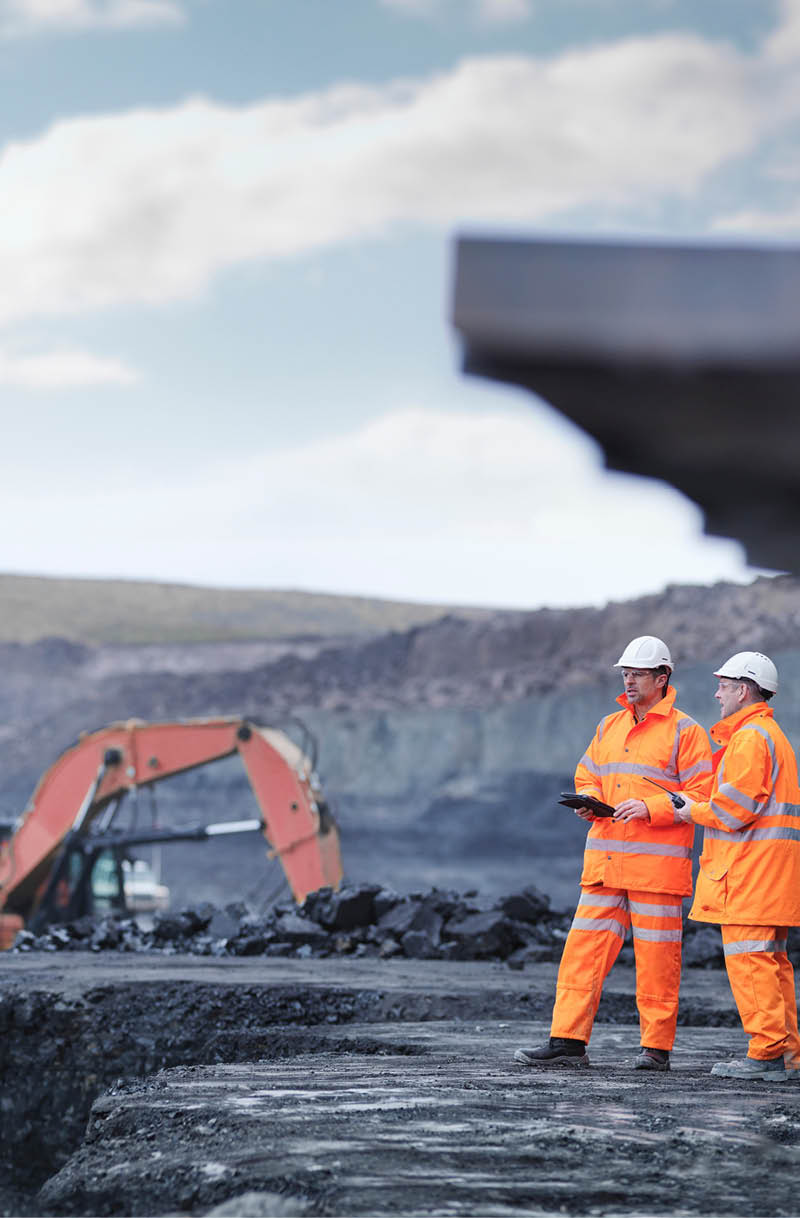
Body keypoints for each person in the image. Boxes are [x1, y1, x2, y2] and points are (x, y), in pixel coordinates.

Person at [515, 635, 712, 1072]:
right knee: (582, 952)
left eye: (638, 674)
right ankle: (567, 1042)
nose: (629, 680)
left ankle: (655, 1050)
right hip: (605, 865)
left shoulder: (687, 731)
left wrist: (652, 806)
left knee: (658, 960)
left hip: (655, 869)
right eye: (626, 673)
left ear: (663, 678)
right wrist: (588, 799)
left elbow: (702, 796)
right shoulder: (609, 726)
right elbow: (589, 772)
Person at [675, 651, 800, 1081]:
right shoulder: (770, 734)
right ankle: (785, 1055)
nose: (716, 693)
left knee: (751, 962)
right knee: (772, 962)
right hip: (769, 873)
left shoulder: (749, 738)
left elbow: (734, 810)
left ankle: (766, 1055)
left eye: (724, 686)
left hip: (750, 873)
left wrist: (690, 810)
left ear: (743, 690)